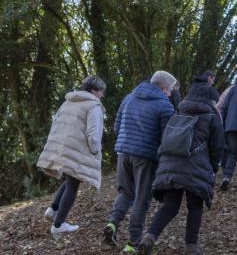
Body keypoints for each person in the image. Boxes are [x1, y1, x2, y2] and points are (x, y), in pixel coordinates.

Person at [138, 79, 224, 255]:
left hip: (170, 165)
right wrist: (213, 169)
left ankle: (149, 238)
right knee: (195, 206)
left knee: (169, 207)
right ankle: (191, 246)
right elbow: (217, 148)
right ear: (211, 99)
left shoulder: (177, 112)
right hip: (196, 167)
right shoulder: (212, 116)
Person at [103, 71, 176, 253]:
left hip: (123, 151)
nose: (171, 94)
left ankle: (112, 223)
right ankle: (133, 242)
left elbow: (117, 125)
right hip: (146, 156)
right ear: (164, 87)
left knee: (125, 191)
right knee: (142, 199)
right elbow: (167, 137)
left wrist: (124, 143)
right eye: (171, 90)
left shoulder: (129, 97)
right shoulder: (164, 105)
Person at [37, 76, 106, 238]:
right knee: (73, 184)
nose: (102, 95)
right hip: (78, 149)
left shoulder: (68, 102)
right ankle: (58, 225)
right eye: (101, 91)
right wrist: (95, 152)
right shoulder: (93, 106)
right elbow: (94, 136)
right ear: (93, 91)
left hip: (62, 146)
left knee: (70, 180)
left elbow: (56, 124)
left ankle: (53, 209)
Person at [216, 74, 237, 174]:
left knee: (227, 146)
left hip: (222, 118)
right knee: (230, 147)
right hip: (222, 119)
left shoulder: (230, 88)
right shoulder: (234, 89)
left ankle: (225, 168)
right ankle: (225, 169)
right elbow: (224, 107)